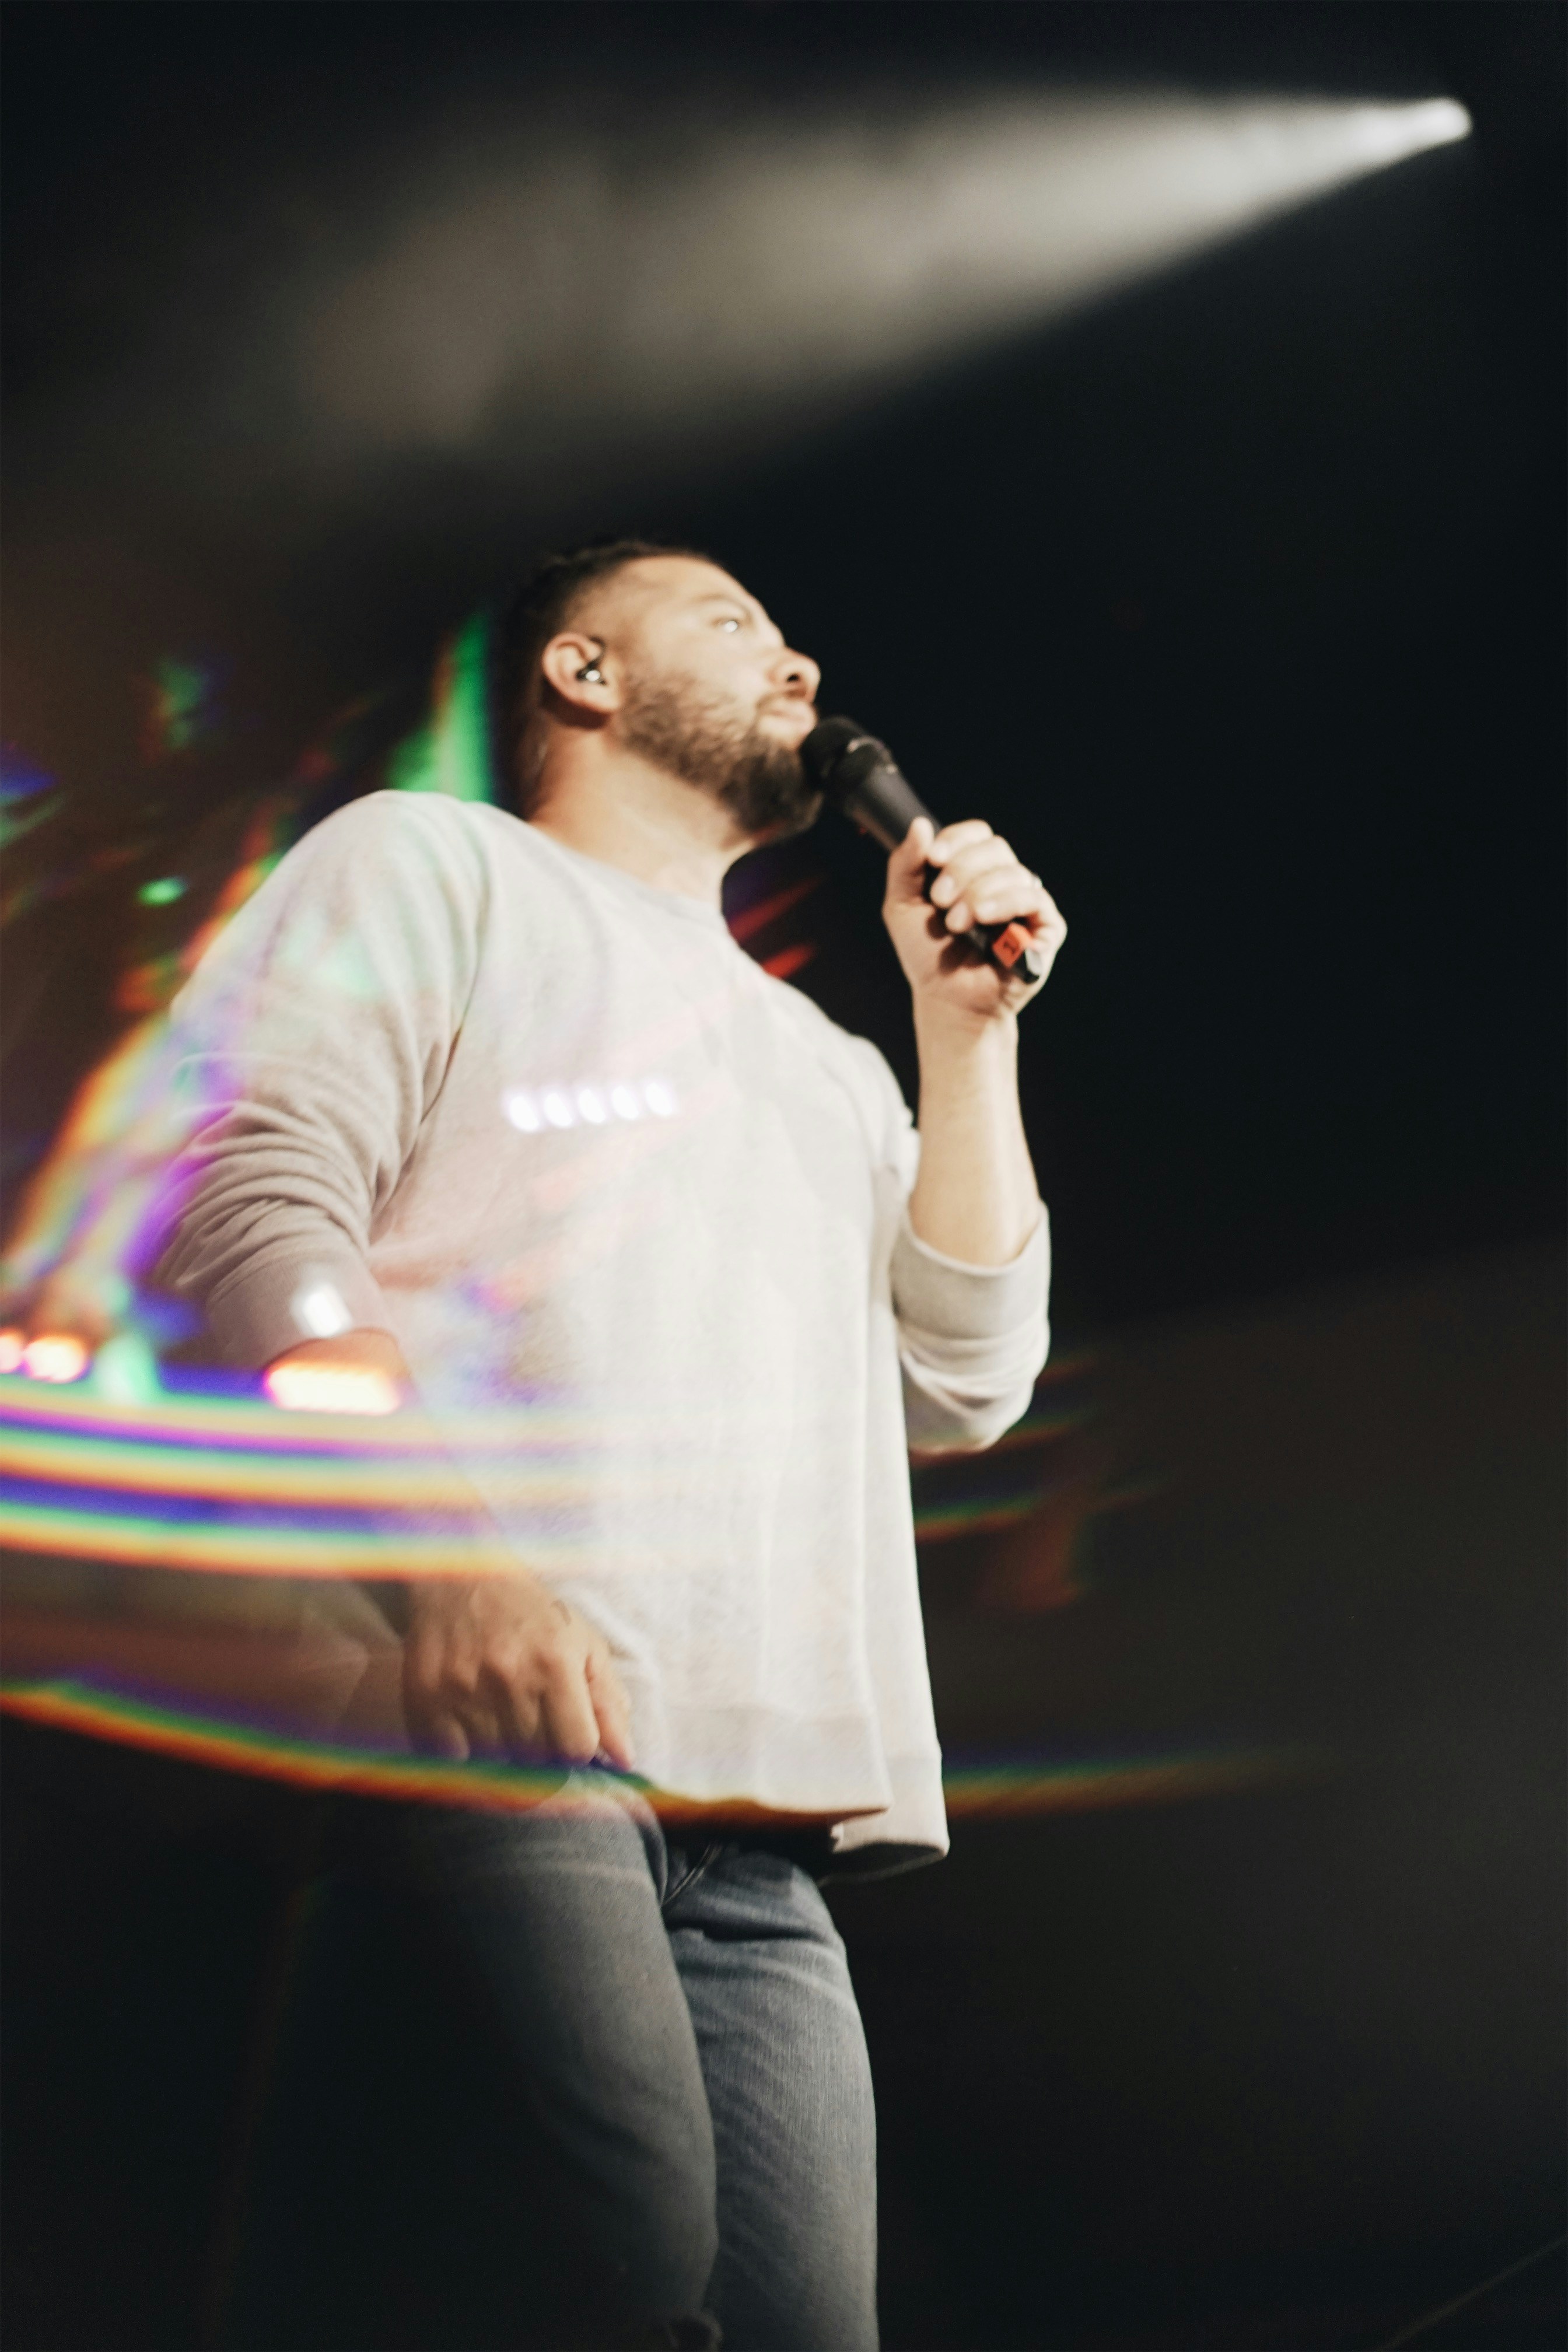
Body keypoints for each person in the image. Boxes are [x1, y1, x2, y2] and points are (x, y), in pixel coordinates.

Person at [156, 540, 1067, 2352]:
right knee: (602, 2279)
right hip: (497, 1733)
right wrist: (456, 1565)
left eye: (795, 632)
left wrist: (964, 1040)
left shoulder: (825, 1061)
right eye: (735, 623)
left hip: (762, 1828)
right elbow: (253, 1204)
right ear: (583, 673)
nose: (796, 658)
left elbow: (965, 1375)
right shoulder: (430, 866)